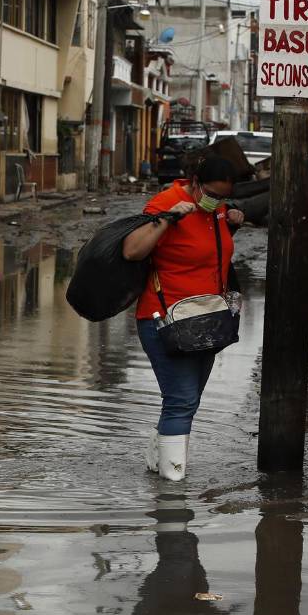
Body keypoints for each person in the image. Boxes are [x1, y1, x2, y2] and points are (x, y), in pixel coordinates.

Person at [121, 155, 245, 481]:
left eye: (223, 196)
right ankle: (173, 496)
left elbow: (207, 255)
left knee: (187, 402)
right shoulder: (166, 202)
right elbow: (132, 250)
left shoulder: (215, 210)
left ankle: (157, 459)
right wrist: (166, 219)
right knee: (182, 400)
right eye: (212, 194)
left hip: (205, 319)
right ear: (194, 181)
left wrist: (231, 221)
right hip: (164, 320)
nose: (216, 201)